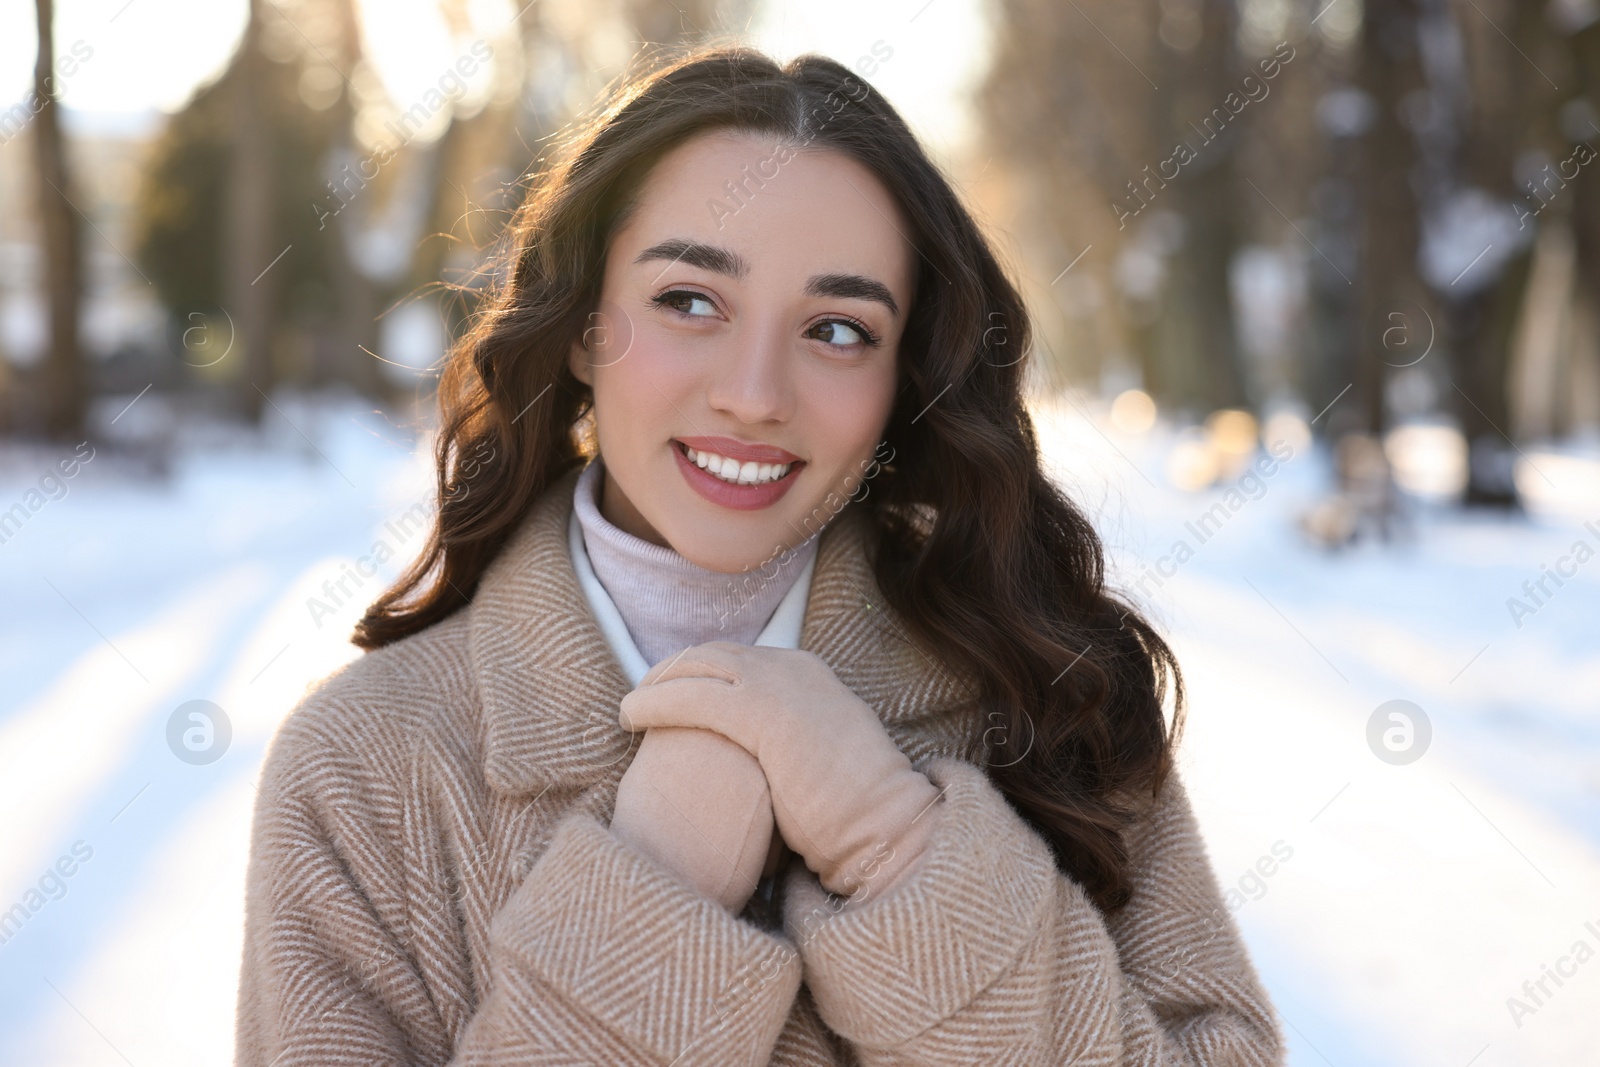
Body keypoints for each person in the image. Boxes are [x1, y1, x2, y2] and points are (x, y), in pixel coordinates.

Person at [234, 44, 1285, 1066]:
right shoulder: (363, 765)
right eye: (689, 300)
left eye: (836, 329)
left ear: (902, 378)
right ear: (580, 328)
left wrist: (898, 847)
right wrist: (654, 895)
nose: (754, 392)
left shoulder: (1042, 682)